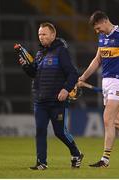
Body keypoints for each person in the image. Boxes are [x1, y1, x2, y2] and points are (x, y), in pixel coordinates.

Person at [78, 10, 119, 168]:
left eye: (97, 28)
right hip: (107, 82)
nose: (97, 32)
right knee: (118, 123)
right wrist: (83, 77)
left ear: (104, 21)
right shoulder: (102, 37)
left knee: (107, 117)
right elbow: (97, 59)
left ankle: (105, 160)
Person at [19, 22, 83, 170]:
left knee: (60, 132)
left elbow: (72, 73)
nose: (41, 37)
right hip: (40, 101)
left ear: (53, 35)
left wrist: (66, 89)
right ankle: (42, 162)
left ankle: (76, 153)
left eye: (44, 34)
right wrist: (26, 66)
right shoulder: (40, 53)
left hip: (57, 101)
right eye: (39, 34)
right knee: (40, 131)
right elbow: (34, 74)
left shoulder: (61, 51)